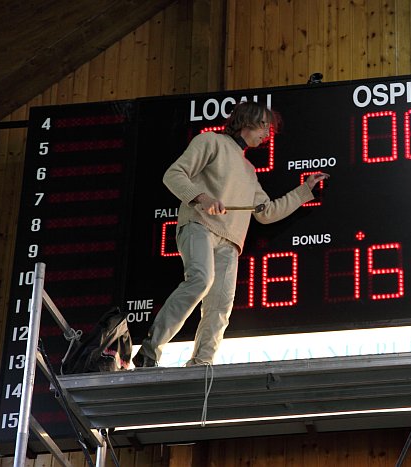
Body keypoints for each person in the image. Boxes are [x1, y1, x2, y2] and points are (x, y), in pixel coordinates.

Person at [133, 101, 329, 368]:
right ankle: (149, 351)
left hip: (230, 243)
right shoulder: (210, 141)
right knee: (201, 279)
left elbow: (266, 212)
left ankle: (201, 366)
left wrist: (304, 191)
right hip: (199, 225)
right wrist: (201, 198)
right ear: (248, 120)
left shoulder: (249, 171)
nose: (267, 134)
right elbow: (173, 174)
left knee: (221, 307)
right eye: (265, 126)